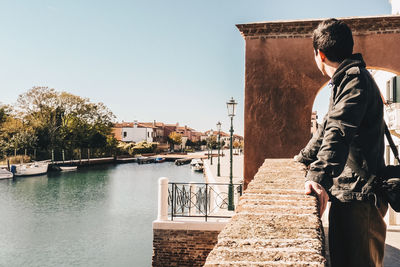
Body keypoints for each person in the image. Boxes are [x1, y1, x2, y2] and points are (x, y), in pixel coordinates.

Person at [294, 18, 388, 267]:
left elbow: (338, 130)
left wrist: (318, 176)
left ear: (320, 54)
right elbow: (327, 126)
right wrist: (303, 159)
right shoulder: (345, 80)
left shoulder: (354, 79)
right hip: (348, 194)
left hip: (361, 197)